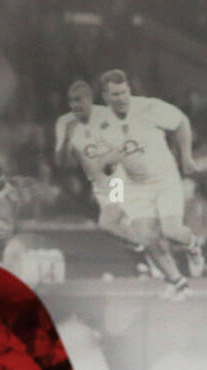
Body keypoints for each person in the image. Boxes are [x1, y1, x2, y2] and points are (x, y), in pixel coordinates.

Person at [98, 69, 205, 300]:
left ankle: (193, 246)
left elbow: (181, 122)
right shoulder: (102, 125)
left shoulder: (147, 107)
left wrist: (186, 157)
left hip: (165, 178)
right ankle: (178, 284)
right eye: (115, 94)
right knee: (147, 237)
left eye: (124, 92)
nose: (122, 97)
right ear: (106, 98)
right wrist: (109, 166)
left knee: (172, 231)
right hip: (135, 185)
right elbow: (105, 166)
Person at [54, 80, 146, 264]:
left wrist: (113, 158)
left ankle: (145, 247)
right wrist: (63, 146)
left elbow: (128, 143)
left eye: (79, 100)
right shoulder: (68, 125)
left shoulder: (107, 116)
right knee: (122, 227)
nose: (75, 105)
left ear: (89, 99)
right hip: (98, 186)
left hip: (117, 180)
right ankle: (149, 252)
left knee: (107, 223)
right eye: (71, 101)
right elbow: (66, 163)